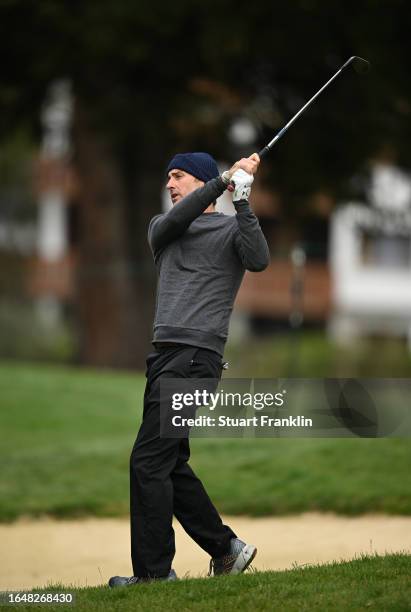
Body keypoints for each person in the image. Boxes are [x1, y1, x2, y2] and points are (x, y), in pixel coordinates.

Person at [109, 151, 270, 587]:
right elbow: (176, 219)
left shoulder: (234, 229)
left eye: (177, 176)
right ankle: (226, 549)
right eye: (167, 177)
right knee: (168, 463)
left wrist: (242, 198)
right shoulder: (163, 229)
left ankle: (154, 575)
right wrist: (223, 180)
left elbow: (258, 259)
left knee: (148, 462)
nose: (169, 183)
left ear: (198, 181)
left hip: (195, 358)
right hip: (164, 358)